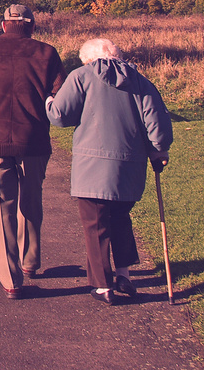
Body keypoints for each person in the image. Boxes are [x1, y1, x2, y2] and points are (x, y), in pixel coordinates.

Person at [46, 37, 173, 304]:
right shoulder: (141, 81)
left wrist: (48, 101)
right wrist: (159, 151)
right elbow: (157, 126)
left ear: (88, 59)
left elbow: (60, 115)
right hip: (130, 166)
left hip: (92, 167)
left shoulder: (81, 76)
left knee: (96, 224)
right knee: (120, 217)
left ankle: (102, 285)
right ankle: (123, 274)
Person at [0, 4, 66, 299]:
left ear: (4, 25)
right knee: (31, 201)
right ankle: (30, 261)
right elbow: (61, 96)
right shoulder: (47, 53)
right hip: (34, 141)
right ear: (32, 26)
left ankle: (11, 280)